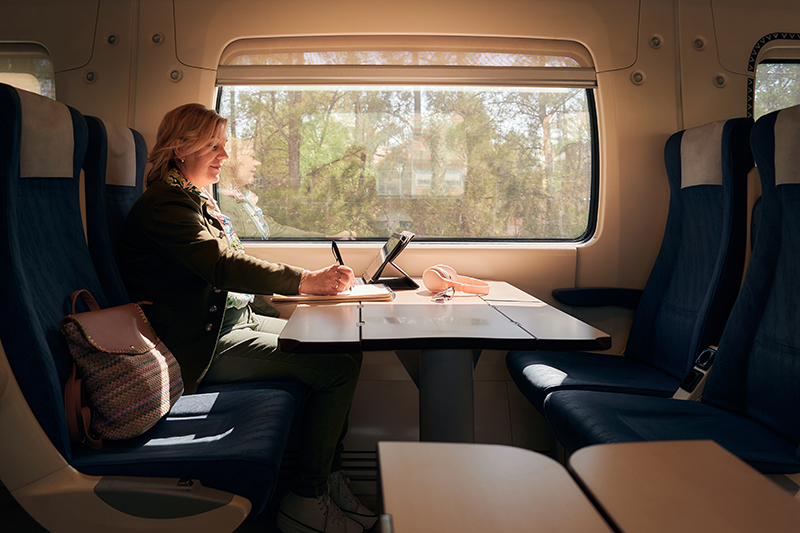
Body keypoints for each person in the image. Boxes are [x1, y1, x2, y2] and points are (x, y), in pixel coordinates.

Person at [118, 103, 375, 533]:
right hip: (202, 343)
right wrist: (306, 281)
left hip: (235, 323)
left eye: (223, 145)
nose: (223, 155)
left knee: (346, 346)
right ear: (180, 147)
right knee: (336, 372)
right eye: (212, 145)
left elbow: (232, 264)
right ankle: (306, 500)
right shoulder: (165, 205)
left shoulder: (193, 198)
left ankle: (328, 479)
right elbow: (222, 266)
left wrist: (287, 300)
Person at [218, 137, 354, 240]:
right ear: (233, 160)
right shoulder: (224, 205)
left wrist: (328, 237)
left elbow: (277, 231)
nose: (258, 163)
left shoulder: (243, 200)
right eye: (252, 156)